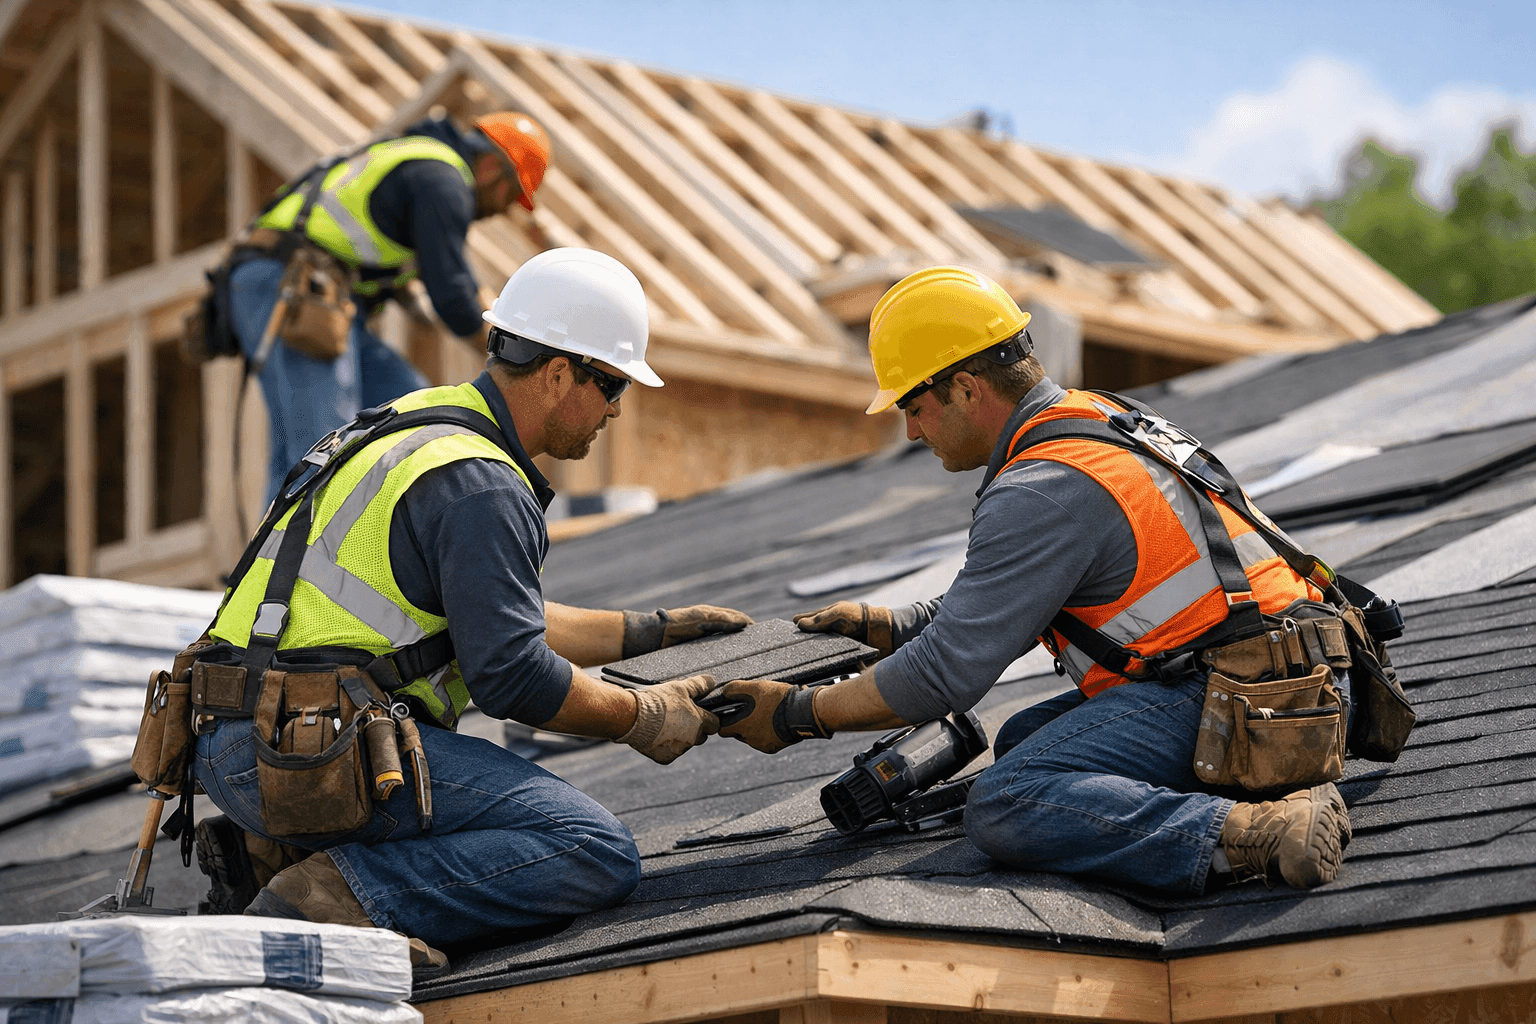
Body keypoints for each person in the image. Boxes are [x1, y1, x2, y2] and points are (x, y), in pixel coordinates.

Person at [711, 266, 1354, 894]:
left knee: (1004, 801)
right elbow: (1007, 598)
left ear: (964, 388)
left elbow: (942, 677)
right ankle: (1268, 784)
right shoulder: (1097, 420)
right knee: (1022, 738)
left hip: (1251, 699)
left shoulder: (1042, 490)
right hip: (1301, 673)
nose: (909, 430)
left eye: (913, 404)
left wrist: (798, 714)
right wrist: (890, 625)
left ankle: (1252, 832)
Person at [190, 248, 747, 970]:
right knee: (591, 849)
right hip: (308, 750)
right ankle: (331, 896)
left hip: (243, 738)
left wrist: (650, 632)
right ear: (556, 373)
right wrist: (640, 718)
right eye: (612, 384)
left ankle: (272, 853)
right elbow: (512, 676)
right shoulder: (480, 483)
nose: (615, 407)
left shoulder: (416, 425)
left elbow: (492, 616)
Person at [228, 111, 554, 504]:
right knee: (319, 444)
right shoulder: (443, 181)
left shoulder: (426, 168)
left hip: (315, 293)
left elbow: (454, 281)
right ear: (488, 167)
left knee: (405, 402)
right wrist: (517, 363)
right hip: (290, 287)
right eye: (508, 194)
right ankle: (288, 562)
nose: (503, 210)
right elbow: (454, 298)